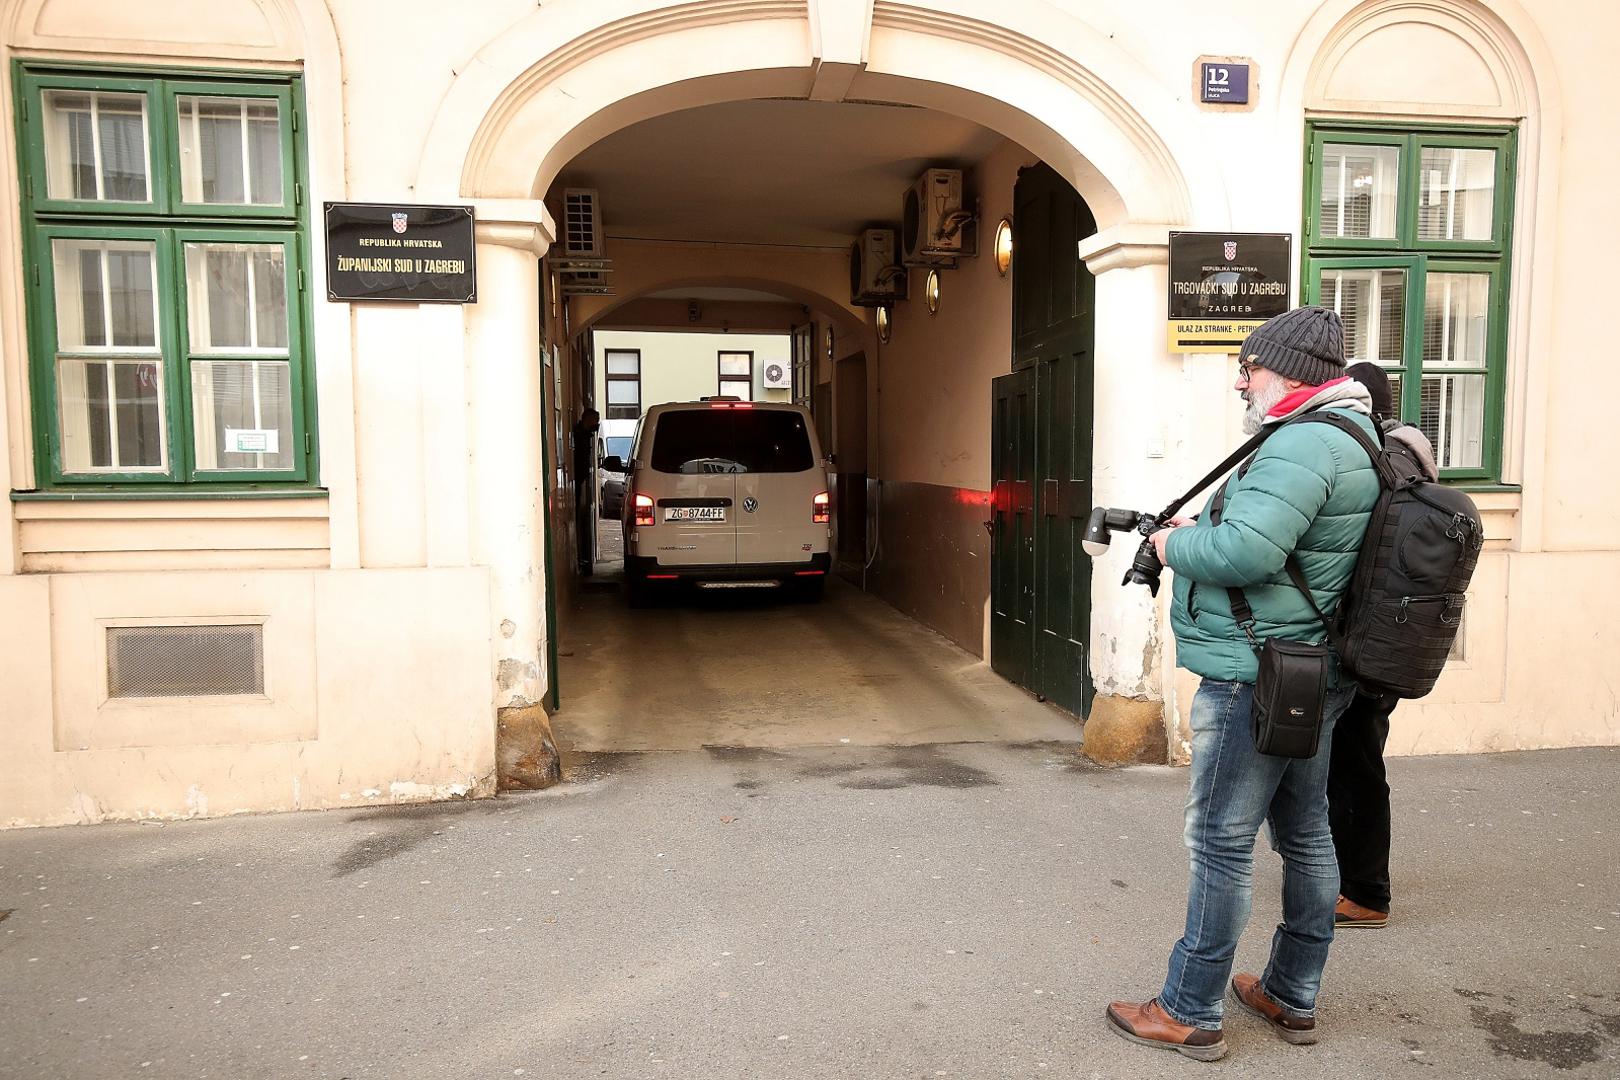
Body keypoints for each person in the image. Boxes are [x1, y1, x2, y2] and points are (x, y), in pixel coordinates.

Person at [1105, 306, 1381, 1061]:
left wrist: (1171, 540)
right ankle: (1292, 993)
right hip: (1307, 667)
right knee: (1306, 832)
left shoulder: (1304, 443)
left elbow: (1248, 554)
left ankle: (1187, 1008)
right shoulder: (1352, 434)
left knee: (1221, 842)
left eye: (1249, 368)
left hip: (1254, 674)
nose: (1240, 381)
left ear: (1288, 373)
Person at [1327, 363, 1440, 931]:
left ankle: (1367, 891)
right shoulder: (1410, 457)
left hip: (1364, 634)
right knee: (1355, 757)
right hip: (1391, 631)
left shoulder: (1380, 459)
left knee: (1354, 763)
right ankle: (1341, 875)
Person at [572, 407, 601, 576]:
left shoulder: (584, 434)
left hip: (579, 481)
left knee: (582, 518)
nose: (596, 425)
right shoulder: (580, 435)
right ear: (588, 420)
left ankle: (583, 559)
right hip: (576, 481)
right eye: (595, 422)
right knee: (580, 518)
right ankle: (582, 560)